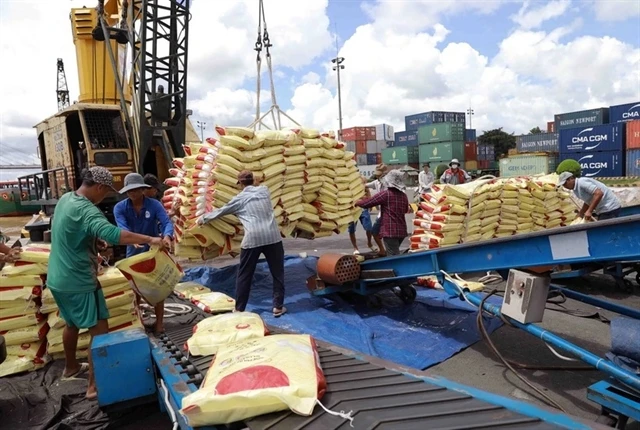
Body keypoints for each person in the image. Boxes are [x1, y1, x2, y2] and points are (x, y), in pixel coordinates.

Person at [47, 167, 165, 400]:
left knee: (71, 324)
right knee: (100, 332)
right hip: (78, 280)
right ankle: (94, 386)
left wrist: (94, 243)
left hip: (57, 278)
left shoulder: (66, 199)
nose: (105, 197)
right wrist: (151, 239)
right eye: (106, 191)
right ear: (99, 187)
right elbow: (116, 235)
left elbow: (72, 232)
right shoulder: (88, 210)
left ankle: (70, 367)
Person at [197, 170, 286, 317]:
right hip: (273, 237)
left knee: (245, 275)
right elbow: (259, 185)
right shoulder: (265, 191)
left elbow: (222, 211)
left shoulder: (238, 199)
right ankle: (278, 307)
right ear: (253, 180)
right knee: (278, 273)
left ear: (240, 184)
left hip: (252, 239)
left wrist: (203, 219)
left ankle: (239, 308)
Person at [114, 173, 174, 334]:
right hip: (133, 251)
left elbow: (166, 222)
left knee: (157, 286)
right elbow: (122, 227)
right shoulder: (119, 208)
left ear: (142, 189)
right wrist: (130, 239)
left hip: (154, 251)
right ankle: (138, 319)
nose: (132, 193)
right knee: (134, 287)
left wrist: (167, 236)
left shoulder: (154, 205)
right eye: (129, 191)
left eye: (135, 190)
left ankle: (159, 323)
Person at [356, 169, 410, 256]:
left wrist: (356, 202)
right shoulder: (404, 196)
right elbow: (405, 210)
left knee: (393, 256)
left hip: (390, 232)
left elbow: (368, 203)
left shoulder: (386, 194)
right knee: (394, 251)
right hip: (401, 231)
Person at [557, 172, 622, 220]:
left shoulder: (582, 183)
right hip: (603, 210)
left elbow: (599, 193)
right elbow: (588, 201)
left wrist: (589, 211)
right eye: (563, 185)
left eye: (565, 183)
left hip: (609, 208)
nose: (565, 186)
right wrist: (581, 213)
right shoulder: (575, 189)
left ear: (571, 179)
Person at [348, 176, 380, 255]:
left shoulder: (362, 180)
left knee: (369, 228)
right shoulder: (348, 182)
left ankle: (369, 243)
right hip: (352, 210)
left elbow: (368, 194)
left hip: (363, 208)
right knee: (351, 229)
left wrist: (369, 202)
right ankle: (355, 247)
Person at [365, 164, 389, 256]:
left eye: (380, 174)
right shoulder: (376, 182)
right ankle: (382, 249)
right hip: (381, 212)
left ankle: (389, 251)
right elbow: (365, 185)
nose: (378, 176)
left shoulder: (389, 184)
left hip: (388, 212)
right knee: (375, 232)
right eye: (377, 174)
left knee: (388, 234)